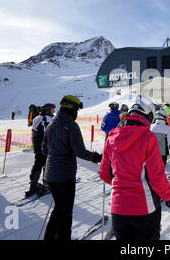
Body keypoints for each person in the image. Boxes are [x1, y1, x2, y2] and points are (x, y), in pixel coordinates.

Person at [99, 96, 170, 241]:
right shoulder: (148, 137)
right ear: (149, 116)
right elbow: (156, 179)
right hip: (144, 208)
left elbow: (105, 174)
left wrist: (121, 185)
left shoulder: (111, 138)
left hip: (118, 208)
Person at [42, 95, 102, 240]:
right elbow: (80, 151)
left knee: (58, 209)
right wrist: (98, 157)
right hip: (65, 176)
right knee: (66, 212)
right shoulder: (71, 125)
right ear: (72, 109)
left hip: (51, 174)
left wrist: (57, 153)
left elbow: (44, 149)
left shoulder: (51, 124)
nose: (77, 113)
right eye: (76, 109)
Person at [26, 103, 56, 197]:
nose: (53, 111)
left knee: (38, 165)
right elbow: (50, 133)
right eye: (52, 109)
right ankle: (47, 185)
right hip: (46, 147)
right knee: (47, 165)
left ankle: (33, 185)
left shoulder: (37, 118)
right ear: (47, 110)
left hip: (37, 146)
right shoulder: (47, 119)